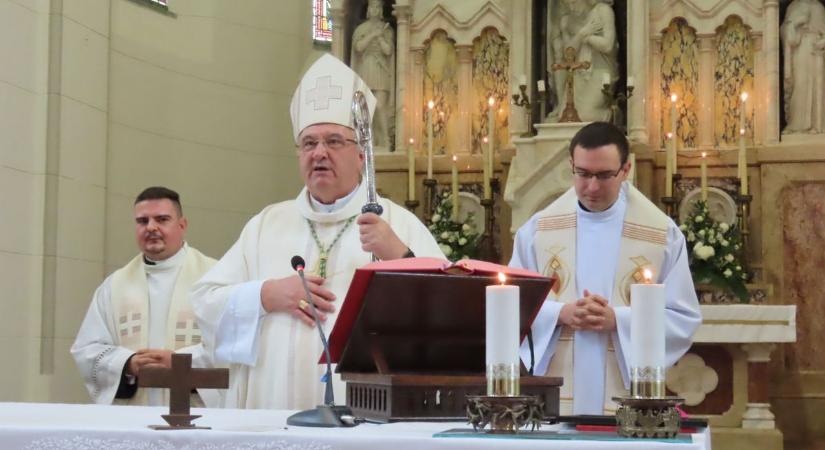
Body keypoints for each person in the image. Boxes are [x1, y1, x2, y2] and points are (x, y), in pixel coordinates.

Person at [191, 54, 444, 410]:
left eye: (334, 141)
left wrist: (400, 256)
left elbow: (449, 318)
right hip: (273, 413)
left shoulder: (397, 225)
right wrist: (267, 295)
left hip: (366, 415)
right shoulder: (266, 225)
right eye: (309, 143)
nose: (319, 153)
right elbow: (205, 303)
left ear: (361, 155)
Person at [509, 122, 702, 415]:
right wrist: (561, 313)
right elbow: (511, 304)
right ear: (571, 165)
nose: (592, 187)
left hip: (629, 397)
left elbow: (682, 316)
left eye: (604, 175)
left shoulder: (661, 234)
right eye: (583, 174)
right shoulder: (537, 231)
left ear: (626, 170)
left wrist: (618, 320)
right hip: (556, 396)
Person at [71, 187, 219, 406]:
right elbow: (87, 349)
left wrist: (180, 362)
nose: (151, 227)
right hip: (134, 416)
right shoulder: (115, 285)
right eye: (142, 221)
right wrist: (127, 363)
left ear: (182, 225)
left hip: (196, 413)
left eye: (162, 219)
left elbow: (236, 346)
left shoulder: (214, 278)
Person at [547, 0, 618, 123]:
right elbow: (568, 52)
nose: (571, 7)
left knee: (585, 116)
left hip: (600, 71)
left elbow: (608, 45)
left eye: (574, 2)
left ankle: (612, 113)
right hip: (578, 72)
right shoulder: (567, 21)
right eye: (567, 4)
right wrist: (582, 34)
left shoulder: (603, 11)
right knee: (564, 116)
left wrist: (588, 38)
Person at [351, 0, 394, 149]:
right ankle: (367, 141)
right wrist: (373, 35)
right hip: (366, 68)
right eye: (372, 7)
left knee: (381, 106)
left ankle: (385, 141)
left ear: (381, 10)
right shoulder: (361, 29)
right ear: (368, 10)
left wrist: (380, 37)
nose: (375, 10)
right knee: (367, 107)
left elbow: (388, 51)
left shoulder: (387, 30)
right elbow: (358, 48)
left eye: (378, 7)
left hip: (380, 70)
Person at [780, 0, 825, 134]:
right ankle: (795, 125)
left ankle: (817, 126)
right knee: (799, 85)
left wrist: (822, 42)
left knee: (817, 87)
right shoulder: (793, 6)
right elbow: (784, 31)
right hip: (798, 52)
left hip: (816, 53)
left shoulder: (819, 7)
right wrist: (794, 24)